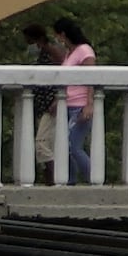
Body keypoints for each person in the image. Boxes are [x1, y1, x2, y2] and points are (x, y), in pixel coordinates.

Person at [51, 14, 100, 182]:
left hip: (79, 105)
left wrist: (89, 104)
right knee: (64, 146)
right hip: (67, 104)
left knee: (74, 145)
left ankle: (93, 178)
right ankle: (69, 180)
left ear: (63, 34)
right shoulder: (69, 53)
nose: (56, 39)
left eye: (57, 35)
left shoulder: (84, 51)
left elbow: (90, 78)